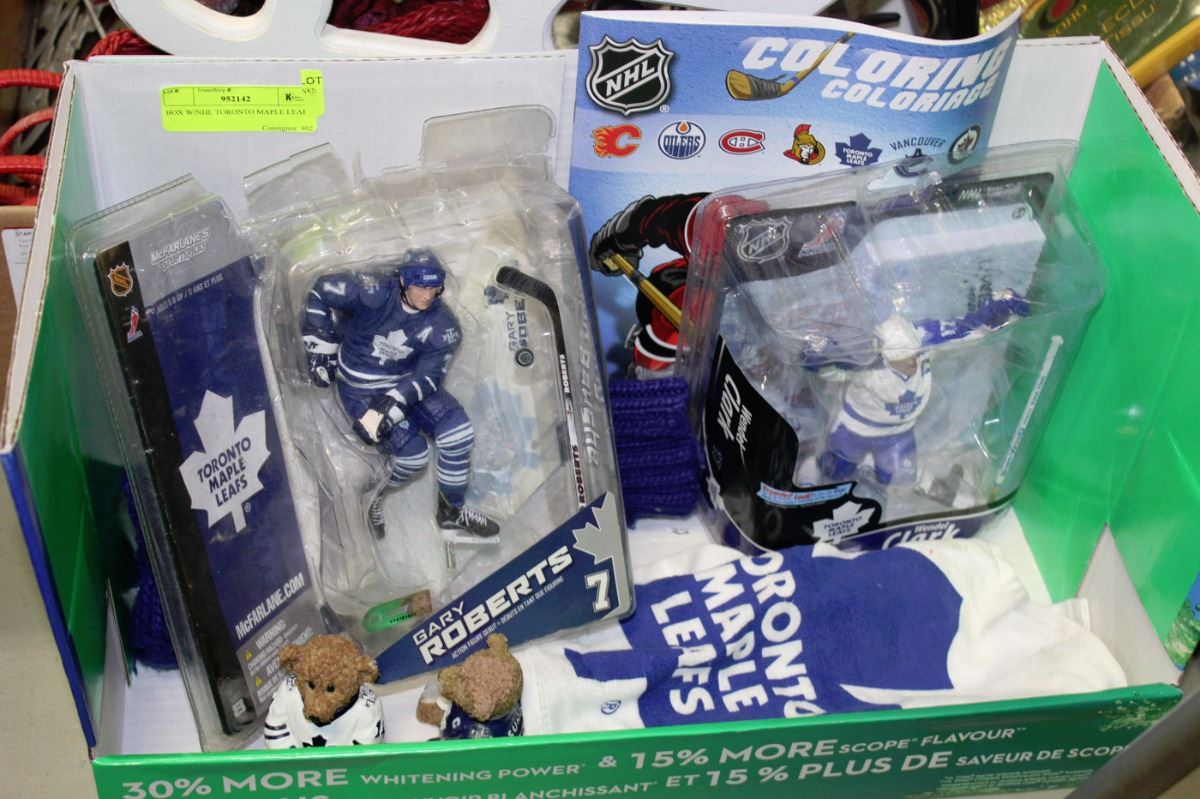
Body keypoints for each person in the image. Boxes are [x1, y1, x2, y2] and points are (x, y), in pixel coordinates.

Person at [301, 248, 499, 540]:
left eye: (434, 288)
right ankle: (373, 494)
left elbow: (428, 376)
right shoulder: (374, 292)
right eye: (421, 286)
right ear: (404, 281)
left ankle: (451, 511)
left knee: (458, 434)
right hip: (361, 387)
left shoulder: (443, 326)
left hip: (406, 382)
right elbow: (321, 290)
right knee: (414, 458)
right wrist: (321, 344)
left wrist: (392, 404)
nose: (428, 296)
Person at [809, 291, 1029, 487]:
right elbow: (831, 369)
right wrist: (817, 355)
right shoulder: (866, 363)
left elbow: (965, 329)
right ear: (885, 357)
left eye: (913, 355)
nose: (911, 363)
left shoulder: (923, 342)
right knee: (833, 472)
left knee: (897, 480)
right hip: (856, 429)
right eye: (902, 359)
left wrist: (999, 310)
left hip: (898, 433)